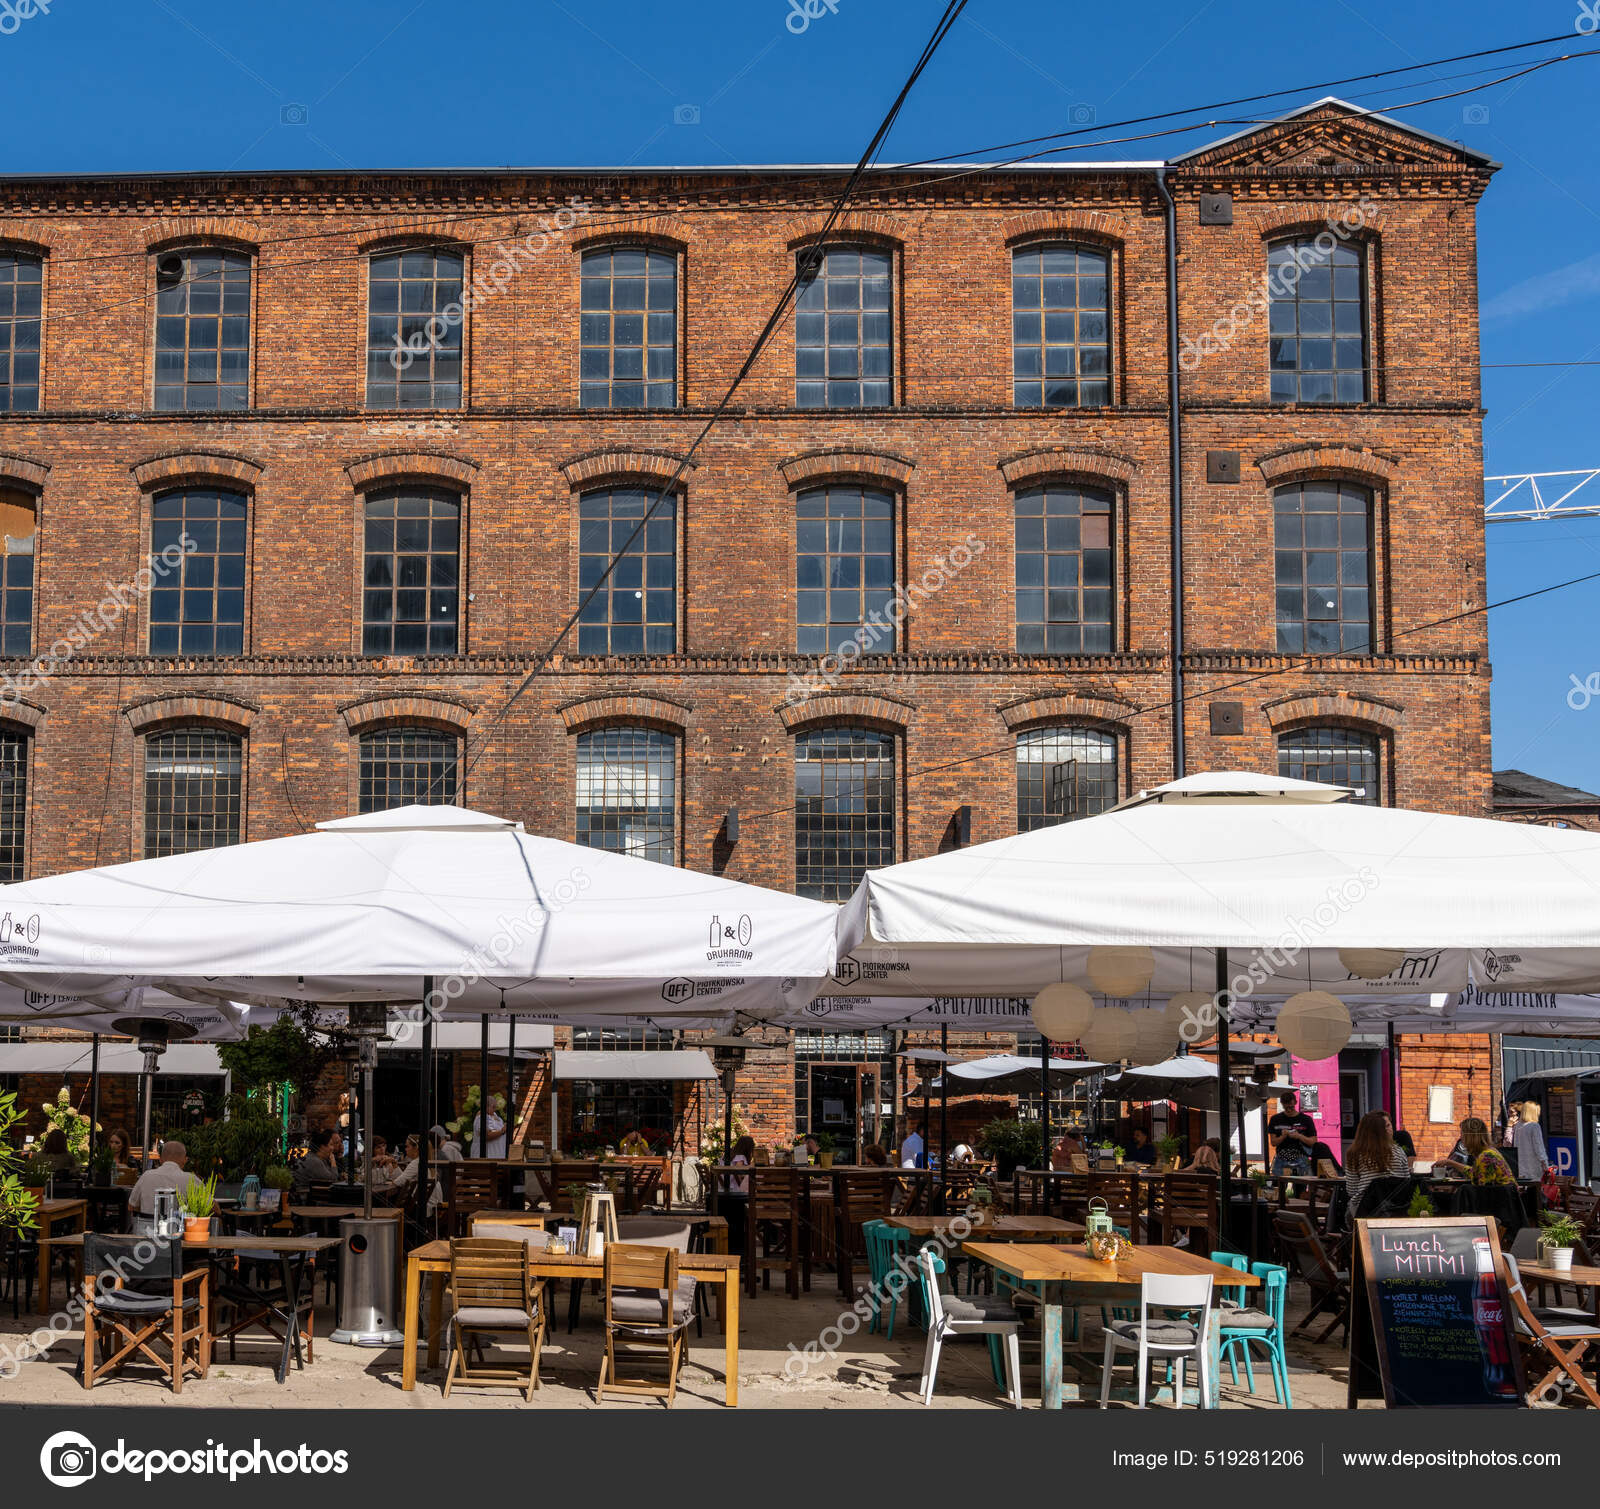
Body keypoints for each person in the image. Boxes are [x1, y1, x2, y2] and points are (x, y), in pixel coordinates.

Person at [1344, 1111, 1411, 1218]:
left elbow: (1352, 1190)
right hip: (1396, 1210)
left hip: (1364, 1211)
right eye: (1386, 1126)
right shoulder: (1399, 1151)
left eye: (1389, 1125)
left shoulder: (1355, 1153)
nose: (1390, 1129)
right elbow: (1406, 1182)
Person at [128, 1139, 201, 1215]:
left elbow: (131, 1206)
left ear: (160, 1159)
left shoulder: (146, 1176)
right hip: (178, 1226)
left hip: (147, 1226)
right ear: (185, 1160)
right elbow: (211, 1206)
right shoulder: (190, 1179)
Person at [1437, 1117, 1517, 1187]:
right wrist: (1450, 1163)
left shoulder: (1487, 1157)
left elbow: (1482, 1189)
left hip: (1501, 1202)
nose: (1461, 1137)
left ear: (1470, 1137)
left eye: (1462, 1133)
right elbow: (1474, 1173)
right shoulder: (1489, 1152)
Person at [1267, 1092, 1318, 1176]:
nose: (1289, 1109)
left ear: (1295, 1102)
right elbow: (1273, 1142)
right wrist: (1283, 1136)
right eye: (1286, 1106)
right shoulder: (1275, 1119)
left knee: (1300, 1187)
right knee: (1279, 1187)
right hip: (1281, 1158)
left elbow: (1313, 1142)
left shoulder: (1306, 1119)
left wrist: (1299, 1136)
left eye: (1291, 1106)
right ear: (1282, 1104)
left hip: (1301, 1157)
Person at [295, 1127, 342, 1193]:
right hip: (304, 1196)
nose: (333, 1148)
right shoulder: (314, 1161)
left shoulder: (321, 1159)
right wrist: (333, 1161)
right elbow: (333, 1179)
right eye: (331, 1145)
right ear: (322, 1147)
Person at [1513, 1100, 1548, 1182]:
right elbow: (1539, 1148)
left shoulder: (1518, 1126)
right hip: (1533, 1168)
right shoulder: (1534, 1126)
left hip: (1520, 1168)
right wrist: (1545, 1165)